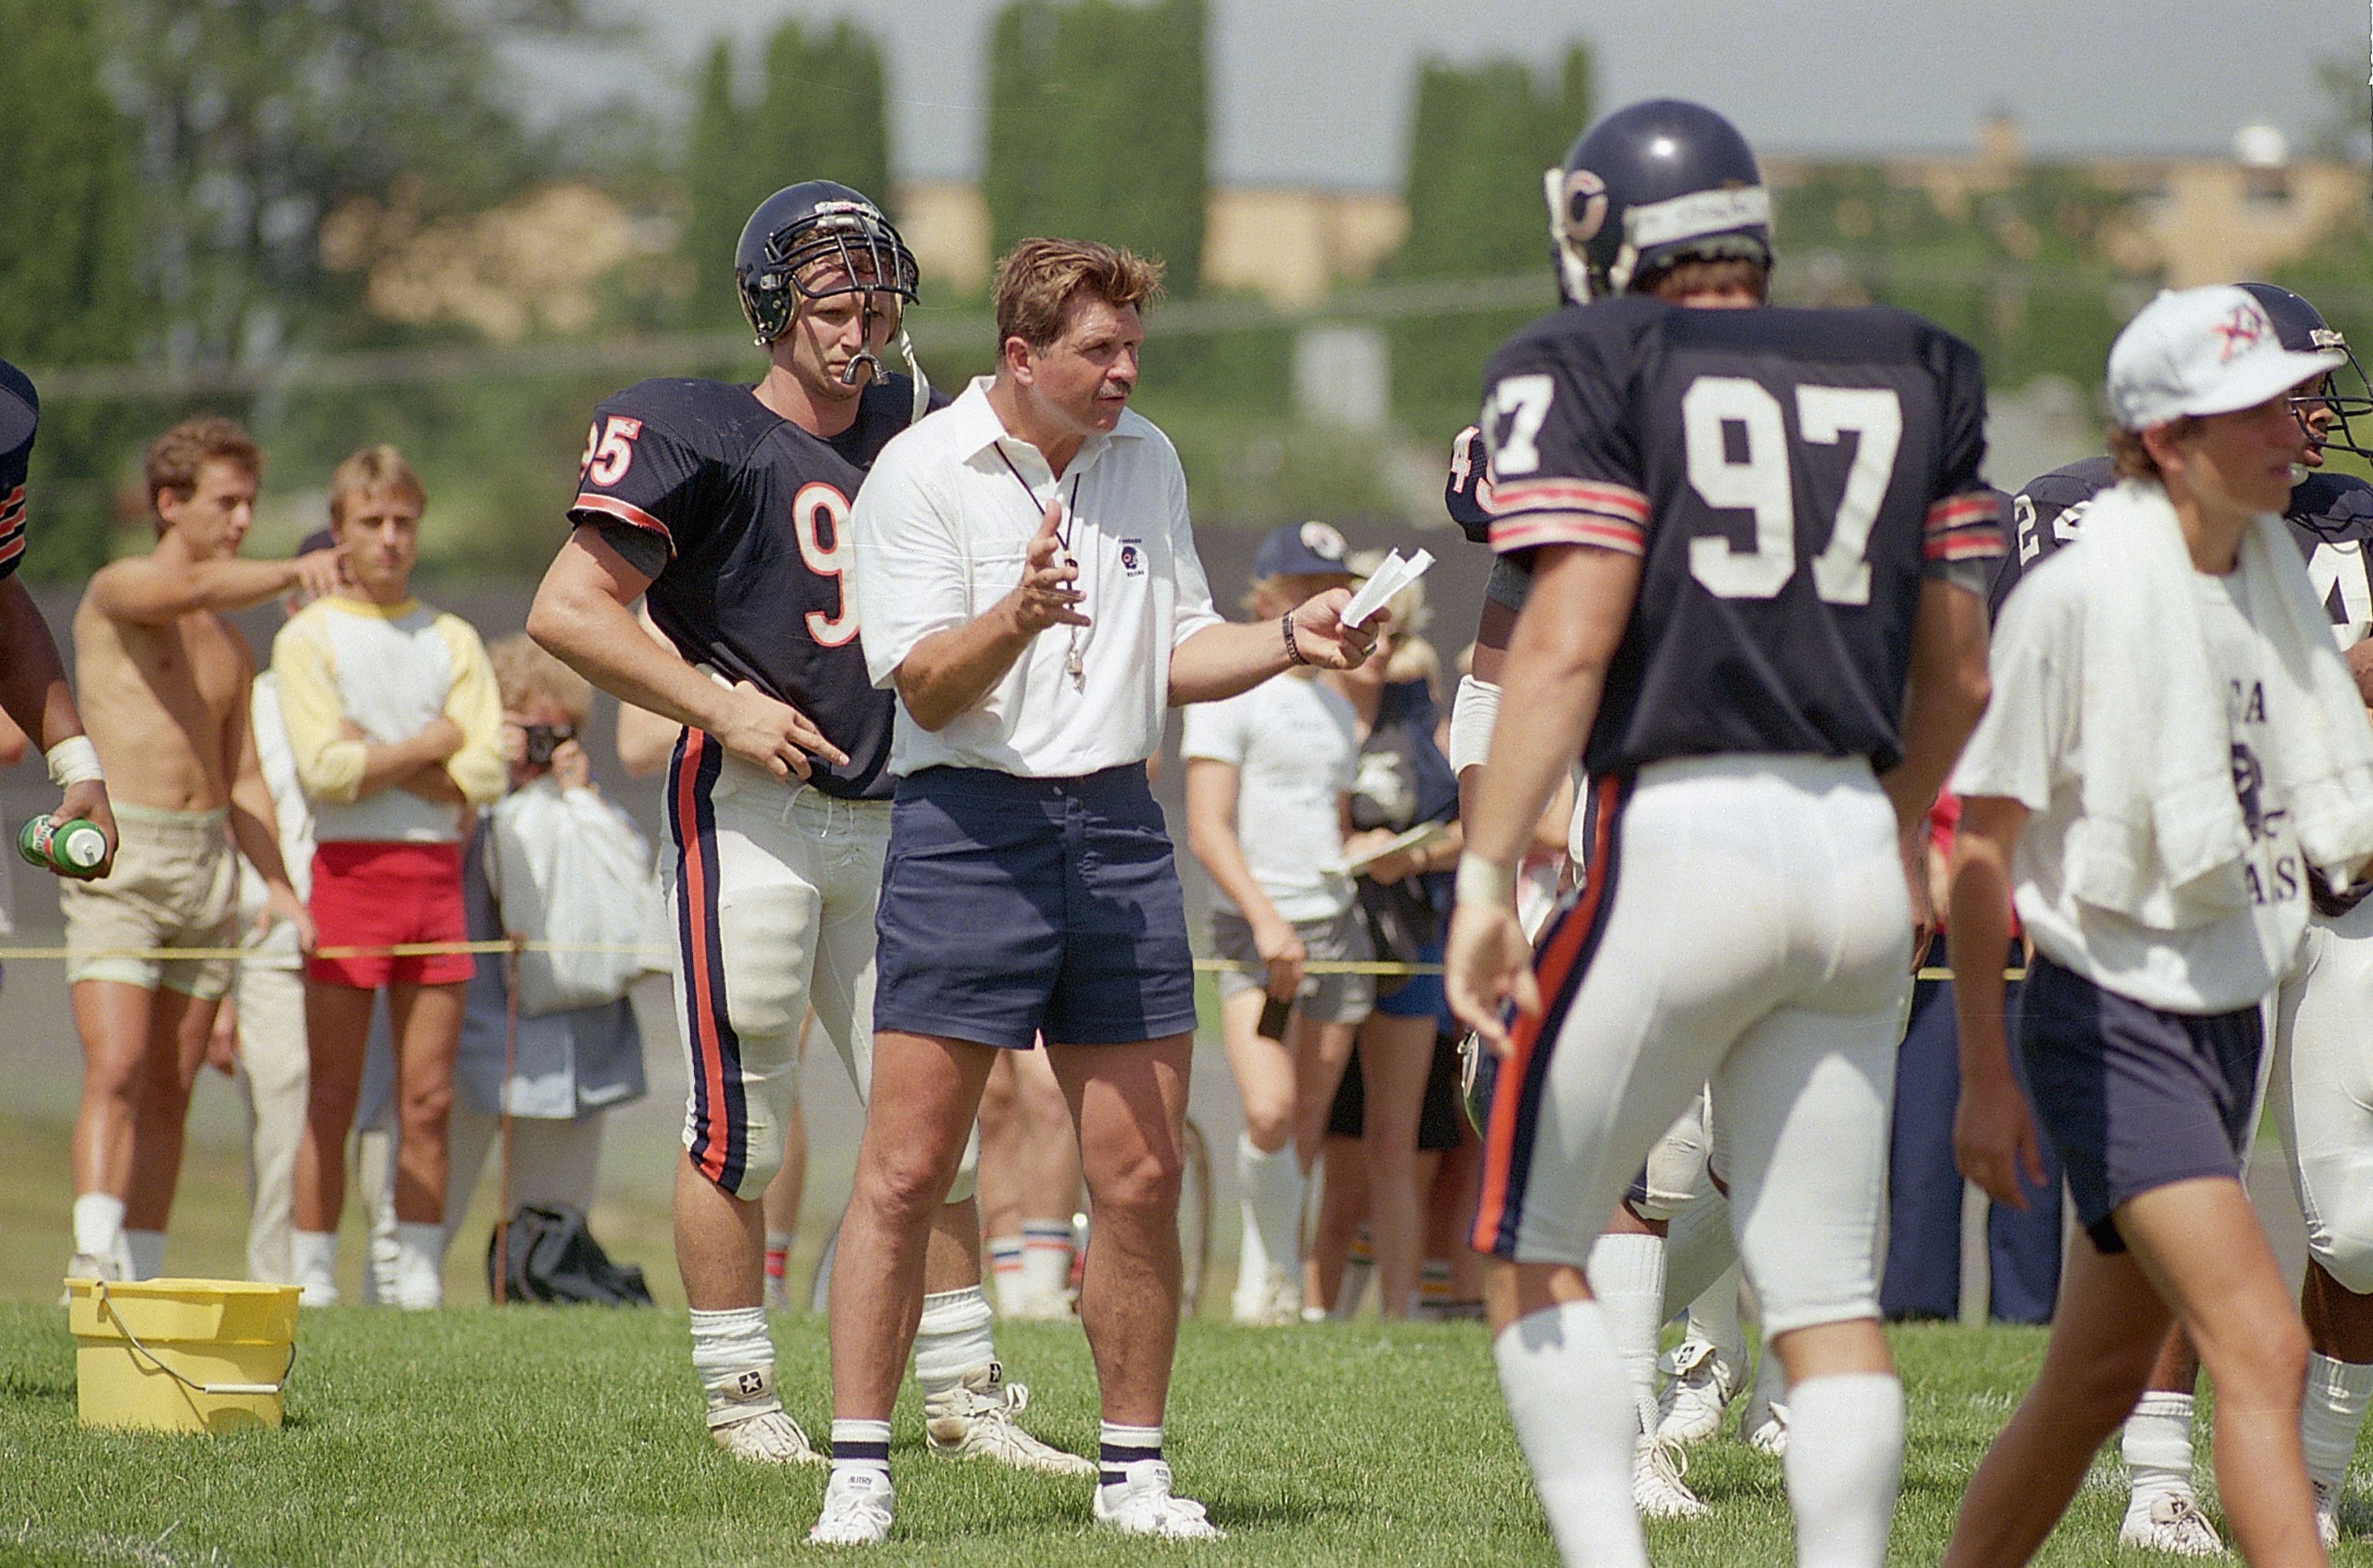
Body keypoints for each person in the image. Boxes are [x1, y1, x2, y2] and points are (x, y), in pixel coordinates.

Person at [1442, 99, 1998, 1568]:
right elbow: (1963, 671)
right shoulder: (1914, 366)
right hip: (1853, 849)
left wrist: (1489, 868)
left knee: (1528, 1233)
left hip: (1684, 828)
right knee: (1823, 1295)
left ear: (1598, 228)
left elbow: (1565, 641)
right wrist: (1891, 826)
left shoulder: (1593, 361)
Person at [829, 235, 1380, 1546]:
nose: (1127, 371)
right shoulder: (916, 474)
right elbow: (920, 685)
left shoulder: (1151, 459)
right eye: (1101, 350)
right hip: (967, 828)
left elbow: (1181, 643)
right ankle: (860, 1468)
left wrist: (1293, 641)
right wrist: (1017, 618)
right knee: (908, 1169)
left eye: (1134, 347)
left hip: (1121, 831)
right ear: (1022, 356)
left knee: (1136, 1173)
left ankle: (1133, 1472)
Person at [528, 183, 1080, 1472]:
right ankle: (736, 1391)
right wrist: (719, 705)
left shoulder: (921, 421)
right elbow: (570, 609)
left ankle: (962, 1389)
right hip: (752, 814)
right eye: (837, 299)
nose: (863, 326)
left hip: (898, 819)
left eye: (879, 299)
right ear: (775, 309)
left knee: (927, 1115)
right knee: (744, 1118)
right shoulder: (697, 429)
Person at [1940, 284, 2373, 1568]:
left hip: (2226, 999)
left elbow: (2317, 805)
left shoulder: (2273, 572)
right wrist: (1980, 1074)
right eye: (2261, 409)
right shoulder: (2081, 597)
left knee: (2087, 1387)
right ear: (2173, 436)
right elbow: (1980, 847)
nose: (2302, 431)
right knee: (2262, 1340)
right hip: (2121, 1017)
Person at [64, 417, 333, 1283]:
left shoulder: (230, 640)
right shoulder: (121, 589)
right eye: (226, 500)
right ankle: (90, 1255)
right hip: (120, 861)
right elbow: (185, 591)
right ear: (169, 503)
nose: (242, 518)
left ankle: (137, 1273)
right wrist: (295, 569)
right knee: (119, 1064)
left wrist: (282, 888)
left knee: (173, 1086)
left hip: (206, 869)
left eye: (251, 502)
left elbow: (246, 779)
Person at [277, 445, 507, 1309]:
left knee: (429, 1092)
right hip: (346, 876)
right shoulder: (309, 636)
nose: (389, 537)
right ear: (340, 531)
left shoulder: (450, 637)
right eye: (371, 522)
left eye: (403, 521)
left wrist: (380, 752)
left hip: (437, 880)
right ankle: (312, 1268)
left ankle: (413, 1272)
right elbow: (324, 769)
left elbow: (487, 768)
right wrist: (428, 743)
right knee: (331, 1089)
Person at [412, 633, 651, 1278]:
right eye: (527, 730)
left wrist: (580, 796)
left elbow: (630, 885)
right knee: (428, 1219)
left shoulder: (585, 806)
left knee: (550, 1239)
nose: (541, 745)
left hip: (574, 1050)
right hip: (471, 1041)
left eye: (559, 731)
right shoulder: (459, 801)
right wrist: (487, 770)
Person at [1180, 519, 1370, 1327]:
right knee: (1268, 1108)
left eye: (1328, 582)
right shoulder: (1232, 689)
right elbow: (1208, 824)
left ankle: (1281, 1287)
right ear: (1265, 596)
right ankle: (1264, 1281)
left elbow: (1330, 820)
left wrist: (1380, 850)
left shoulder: (1334, 707)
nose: (1318, 598)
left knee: (1306, 1124)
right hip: (1255, 930)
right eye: (1299, 585)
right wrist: (1265, 921)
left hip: (1334, 922)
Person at [1326, 558, 1462, 1322]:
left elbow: (1469, 820)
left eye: (1387, 628)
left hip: (1404, 941)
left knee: (1395, 1142)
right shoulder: (1304, 704)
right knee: (1309, 1135)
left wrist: (1411, 854)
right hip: (1317, 935)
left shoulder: (1420, 712)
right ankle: (1302, 1307)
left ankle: (1402, 1312)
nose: (1372, 645)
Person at [210, 528, 335, 1284]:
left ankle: (374, 1286)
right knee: (281, 1119)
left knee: (370, 1119)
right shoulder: (253, 701)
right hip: (268, 934)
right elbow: (232, 829)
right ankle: (276, 1284)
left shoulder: (379, 698)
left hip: (363, 932)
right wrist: (222, 987)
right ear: (290, 603)